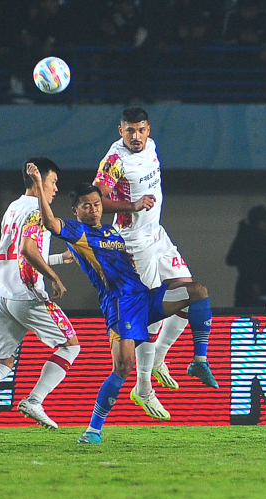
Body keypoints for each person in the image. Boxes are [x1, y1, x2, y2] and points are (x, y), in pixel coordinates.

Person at [32, 175, 214, 443]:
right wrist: (38, 183)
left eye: (96, 204)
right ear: (75, 211)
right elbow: (49, 223)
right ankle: (94, 429)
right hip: (120, 306)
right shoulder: (77, 232)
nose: (93, 209)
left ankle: (199, 362)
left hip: (144, 297)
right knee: (123, 366)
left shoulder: (111, 232)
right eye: (86, 205)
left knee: (197, 291)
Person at [92, 106, 218, 397]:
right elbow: (97, 199)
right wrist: (132, 206)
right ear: (120, 131)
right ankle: (143, 386)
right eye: (130, 130)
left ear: (148, 130)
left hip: (157, 236)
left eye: (141, 130)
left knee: (190, 293)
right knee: (153, 314)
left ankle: (160, 358)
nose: (136, 136)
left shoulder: (151, 147)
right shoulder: (114, 160)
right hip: (133, 244)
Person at [0, 158, 80, 444]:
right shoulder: (38, 210)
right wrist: (54, 278)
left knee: (1, 363)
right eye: (53, 183)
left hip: (2, 294)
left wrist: (59, 259)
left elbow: (18, 253)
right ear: (40, 183)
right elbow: (27, 250)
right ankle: (34, 400)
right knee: (70, 345)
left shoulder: (13, 207)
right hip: (28, 294)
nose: (55, 189)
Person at [226, 205, 266, 307]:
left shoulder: (243, 237)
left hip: (244, 290)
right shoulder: (260, 240)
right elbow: (260, 264)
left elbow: (231, 259)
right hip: (259, 290)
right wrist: (255, 281)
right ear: (259, 222)